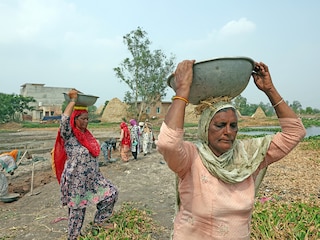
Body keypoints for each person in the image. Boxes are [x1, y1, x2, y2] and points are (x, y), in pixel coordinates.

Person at [156, 60, 306, 240]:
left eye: (233, 125)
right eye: (220, 125)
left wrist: (269, 89)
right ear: (205, 128)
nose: (228, 132)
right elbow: (167, 143)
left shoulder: (249, 156)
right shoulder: (191, 158)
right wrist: (182, 91)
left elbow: (295, 132)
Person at [52, 89, 118, 240]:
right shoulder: (69, 135)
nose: (86, 122)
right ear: (75, 119)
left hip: (93, 179)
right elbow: (64, 120)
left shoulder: (87, 136)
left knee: (112, 193)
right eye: (83, 118)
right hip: (76, 181)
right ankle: (73, 237)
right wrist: (73, 100)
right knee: (77, 212)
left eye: (88, 119)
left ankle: (100, 221)